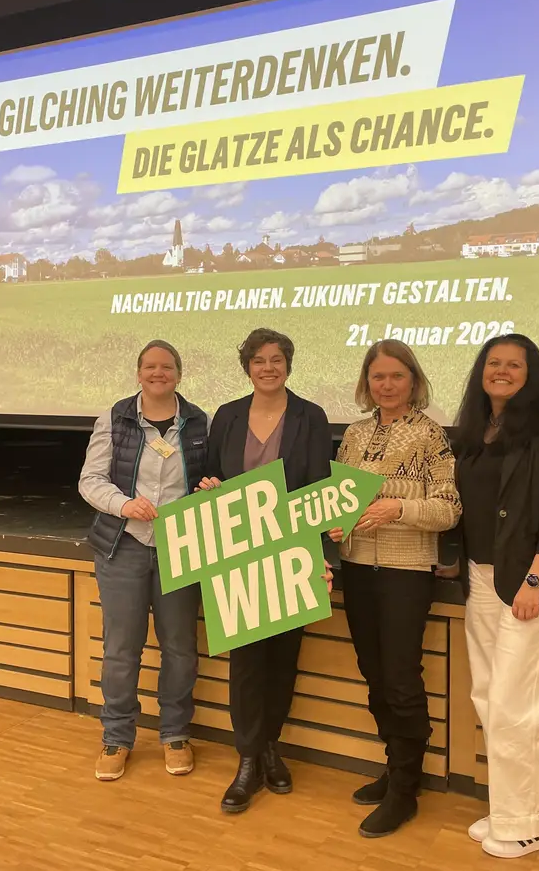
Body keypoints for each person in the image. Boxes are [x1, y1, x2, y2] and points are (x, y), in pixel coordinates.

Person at [450, 334, 539, 860]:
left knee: (518, 707)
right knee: (488, 698)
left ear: (532, 374)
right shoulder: (475, 430)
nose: (502, 371)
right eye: (493, 363)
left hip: (529, 585)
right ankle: (508, 810)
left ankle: (529, 824)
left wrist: (536, 579)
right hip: (482, 579)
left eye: (514, 365)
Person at [328, 339, 461, 837]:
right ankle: (395, 765)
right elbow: (339, 499)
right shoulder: (354, 434)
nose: (386, 385)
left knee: (402, 679)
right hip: (357, 567)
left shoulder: (431, 436)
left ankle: (406, 789)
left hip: (407, 571)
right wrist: (334, 525)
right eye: (378, 377)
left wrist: (397, 509)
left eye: (396, 377)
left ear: (413, 381)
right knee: (373, 672)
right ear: (367, 383)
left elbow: (449, 509)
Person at [198, 328, 333, 813]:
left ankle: (271, 744)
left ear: (288, 365)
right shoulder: (228, 416)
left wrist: (319, 558)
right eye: (259, 360)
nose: (268, 367)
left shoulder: (311, 417)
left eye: (276, 359)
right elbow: (209, 475)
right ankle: (249, 760)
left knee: (282, 658)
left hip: (291, 552)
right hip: (237, 555)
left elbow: (318, 486)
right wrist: (209, 486)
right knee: (246, 663)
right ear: (247, 367)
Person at [78, 340, 209, 782]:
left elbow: (208, 476)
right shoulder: (114, 419)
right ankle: (116, 738)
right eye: (150, 367)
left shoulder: (197, 422)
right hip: (124, 547)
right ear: (139, 373)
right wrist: (122, 505)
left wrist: (212, 486)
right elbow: (90, 481)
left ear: (178, 373)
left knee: (179, 648)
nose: (159, 373)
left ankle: (175, 734)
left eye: (167, 366)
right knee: (121, 651)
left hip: (180, 548)